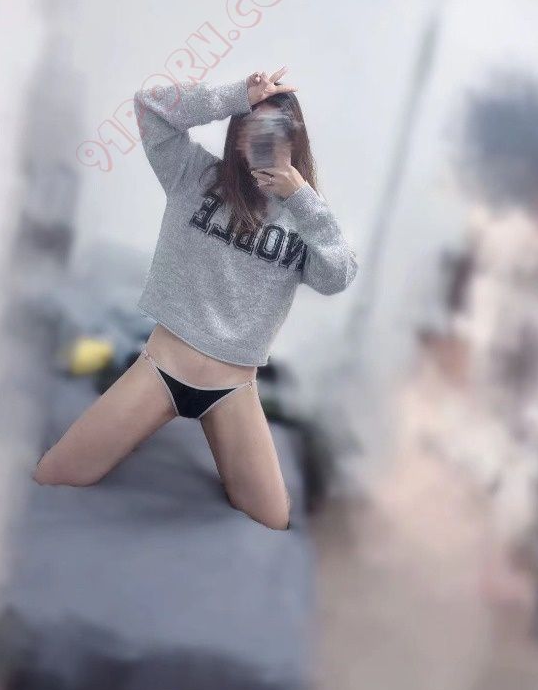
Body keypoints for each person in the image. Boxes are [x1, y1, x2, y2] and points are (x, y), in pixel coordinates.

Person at [33, 66, 358, 530]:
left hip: (233, 389)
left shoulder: (304, 218)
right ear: (237, 135)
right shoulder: (193, 173)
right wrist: (236, 95)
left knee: (272, 518)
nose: (263, 142)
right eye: (253, 129)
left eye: (276, 131)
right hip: (161, 369)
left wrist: (302, 198)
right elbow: (150, 106)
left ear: (295, 139)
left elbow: (337, 277)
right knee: (55, 474)